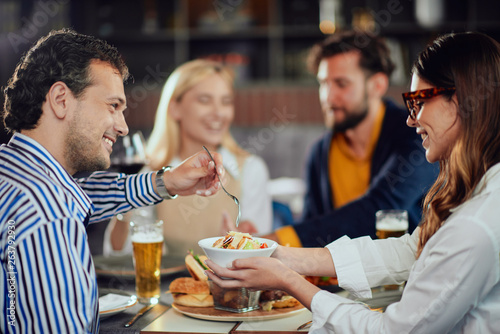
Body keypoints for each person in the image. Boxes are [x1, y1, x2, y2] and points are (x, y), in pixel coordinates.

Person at [206, 31, 500, 333]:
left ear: (463, 100)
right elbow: (409, 249)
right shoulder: (321, 151)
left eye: (419, 101)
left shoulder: (473, 224)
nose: (412, 119)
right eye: (323, 84)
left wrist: (287, 277)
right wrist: (278, 254)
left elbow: (392, 330)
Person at [0, 29, 225, 333]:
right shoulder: (51, 216)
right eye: (113, 106)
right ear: (61, 100)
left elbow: (82, 193)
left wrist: (167, 182)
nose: (123, 126)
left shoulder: (16, 175)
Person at [266, 30, 438, 247]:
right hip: (336, 278)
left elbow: (379, 208)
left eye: (341, 84)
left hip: (406, 276)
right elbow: (313, 226)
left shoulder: (417, 136)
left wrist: (277, 239)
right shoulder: (319, 152)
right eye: (323, 83)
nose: (327, 97)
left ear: (377, 85)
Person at [104, 59, 272, 257]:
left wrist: (240, 245)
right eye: (205, 100)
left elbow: (260, 255)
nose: (219, 113)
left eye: (226, 102)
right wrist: (126, 206)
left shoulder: (251, 170)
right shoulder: (150, 173)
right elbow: (118, 256)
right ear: (175, 108)